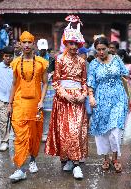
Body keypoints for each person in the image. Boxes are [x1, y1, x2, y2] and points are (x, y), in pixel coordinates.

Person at [45, 16, 88, 179]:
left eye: (76, 43)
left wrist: (84, 94)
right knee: (65, 131)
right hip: (63, 100)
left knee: (76, 131)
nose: (73, 46)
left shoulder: (82, 62)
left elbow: (84, 81)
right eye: (71, 43)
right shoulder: (60, 59)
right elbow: (56, 82)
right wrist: (66, 96)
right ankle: (67, 160)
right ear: (66, 43)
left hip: (78, 100)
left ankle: (76, 163)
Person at [87, 37, 131, 173]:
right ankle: (105, 158)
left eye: (104, 49)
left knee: (116, 130)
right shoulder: (93, 64)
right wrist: (91, 97)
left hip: (118, 99)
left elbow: (126, 77)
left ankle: (115, 158)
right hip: (101, 101)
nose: (101, 52)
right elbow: (90, 83)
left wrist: (130, 93)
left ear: (108, 48)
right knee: (103, 131)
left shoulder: (116, 59)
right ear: (95, 50)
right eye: (98, 50)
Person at [7, 31, 49, 182]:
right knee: (20, 135)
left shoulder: (41, 63)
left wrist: (42, 100)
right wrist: (9, 103)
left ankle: (32, 160)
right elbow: (13, 84)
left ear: (33, 44)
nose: (26, 45)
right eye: (23, 42)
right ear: (20, 44)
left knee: (34, 134)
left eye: (28, 42)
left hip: (35, 103)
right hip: (19, 103)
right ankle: (19, 168)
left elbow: (45, 83)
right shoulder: (16, 63)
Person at [36, 38, 56, 142]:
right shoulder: (34, 59)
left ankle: (45, 133)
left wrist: (52, 75)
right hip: (37, 86)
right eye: (41, 49)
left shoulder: (52, 59)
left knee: (48, 111)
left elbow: (56, 73)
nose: (42, 51)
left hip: (49, 87)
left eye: (44, 49)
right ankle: (37, 132)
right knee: (37, 110)